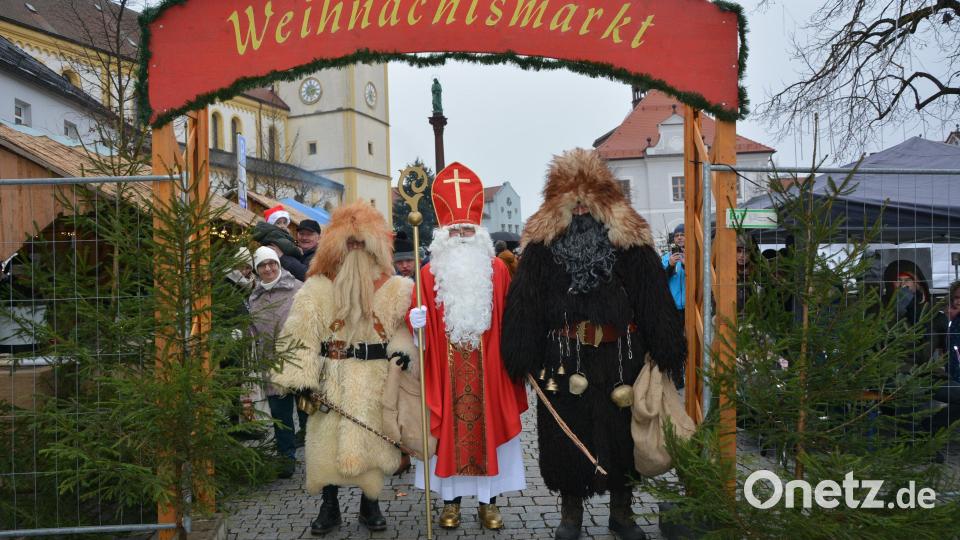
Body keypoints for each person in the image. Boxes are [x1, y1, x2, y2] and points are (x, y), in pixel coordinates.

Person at [501, 148, 685, 540]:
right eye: (572, 200)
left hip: (622, 358)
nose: (581, 209)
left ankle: (622, 512)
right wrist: (521, 353)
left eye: (588, 200)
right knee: (567, 436)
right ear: (558, 204)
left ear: (605, 202)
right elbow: (524, 303)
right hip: (563, 360)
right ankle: (571, 516)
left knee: (622, 436)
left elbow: (653, 297)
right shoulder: (541, 250)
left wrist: (666, 346)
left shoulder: (630, 245)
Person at [271, 201, 416, 535]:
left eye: (361, 243)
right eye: (349, 243)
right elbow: (299, 333)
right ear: (335, 245)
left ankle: (370, 505)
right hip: (330, 377)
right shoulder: (317, 287)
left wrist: (405, 353)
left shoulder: (395, 288)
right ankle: (330, 505)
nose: (355, 250)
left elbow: (402, 332)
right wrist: (301, 378)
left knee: (374, 444)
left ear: (374, 246)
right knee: (325, 447)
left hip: (375, 379)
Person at [407, 163, 528, 531]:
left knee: (489, 435)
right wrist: (416, 324)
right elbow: (417, 325)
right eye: (454, 229)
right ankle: (450, 503)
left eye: (467, 229)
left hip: (489, 371)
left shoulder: (497, 270)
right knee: (447, 437)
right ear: (443, 233)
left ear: (478, 232)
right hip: (444, 373)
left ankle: (489, 504)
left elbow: (511, 321)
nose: (460, 234)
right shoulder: (427, 273)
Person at [248, 246, 304, 478]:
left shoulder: (298, 289)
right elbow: (253, 332)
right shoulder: (254, 297)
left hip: (299, 362)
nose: (269, 268)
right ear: (257, 270)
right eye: (262, 265)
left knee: (308, 415)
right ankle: (286, 459)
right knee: (281, 418)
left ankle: (320, 459)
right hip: (271, 365)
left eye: (272, 264)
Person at [662, 223, 686, 318]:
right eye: (677, 235)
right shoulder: (666, 258)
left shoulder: (694, 255)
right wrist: (670, 266)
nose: (679, 237)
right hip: (671, 307)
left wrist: (685, 265)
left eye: (682, 235)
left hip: (691, 306)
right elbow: (661, 280)